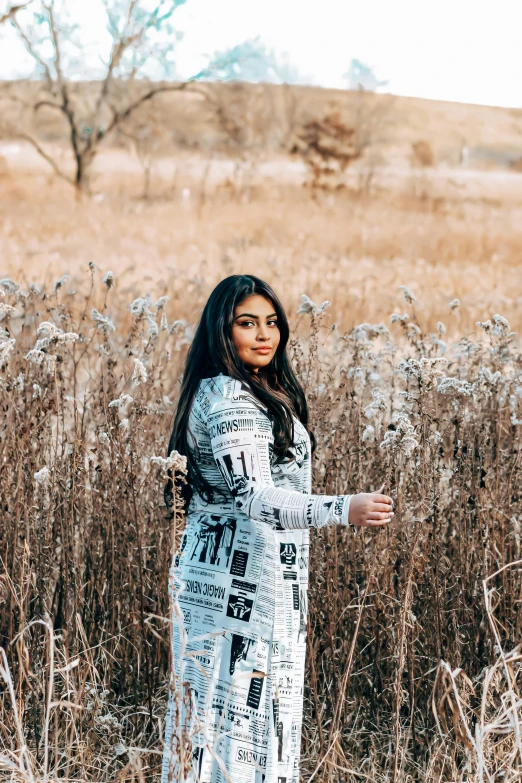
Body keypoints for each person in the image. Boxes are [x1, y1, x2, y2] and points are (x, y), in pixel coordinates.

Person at [161, 275, 394, 783]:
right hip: (240, 593)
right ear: (222, 331)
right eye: (247, 323)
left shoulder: (248, 389)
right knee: (237, 736)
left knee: (212, 732)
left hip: (243, 583)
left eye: (272, 323)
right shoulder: (229, 397)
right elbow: (255, 496)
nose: (264, 334)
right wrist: (343, 507)